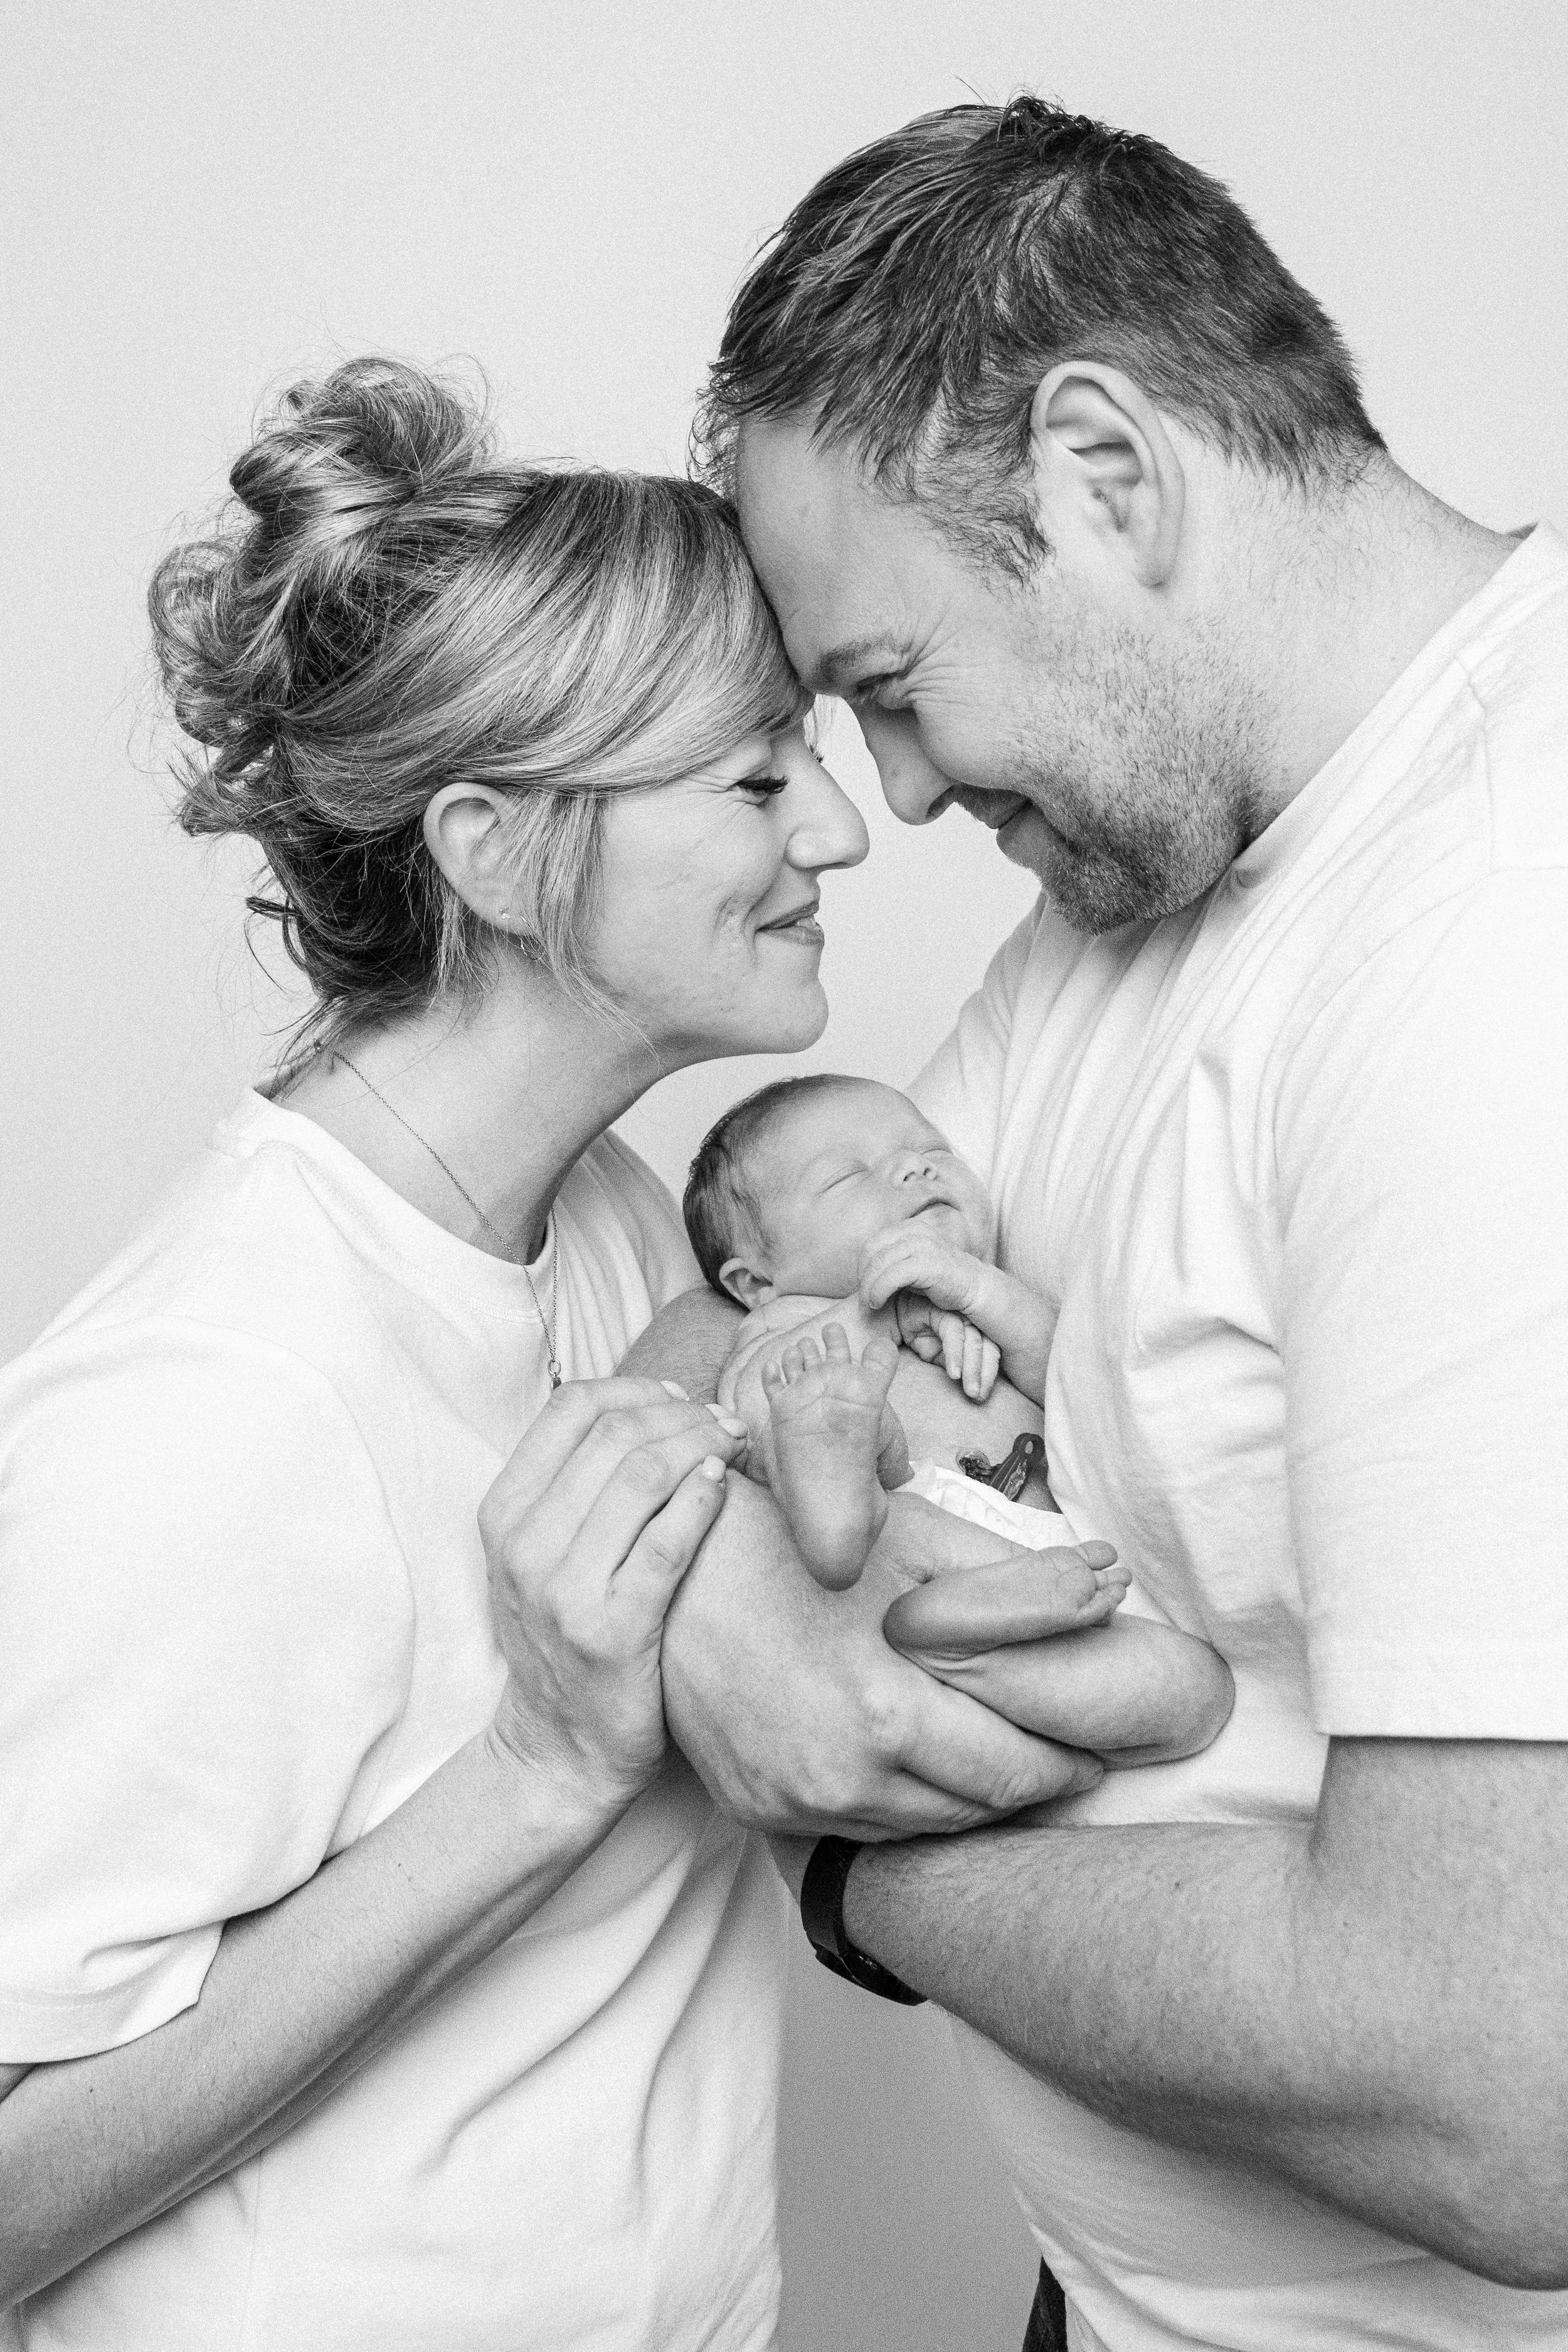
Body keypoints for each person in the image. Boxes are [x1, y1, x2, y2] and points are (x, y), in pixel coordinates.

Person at [0, 358, 1111, 2349]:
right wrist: (530, 1771)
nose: (840, 833)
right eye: (755, 778)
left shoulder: (605, 1224)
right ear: (498, 852)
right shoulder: (211, 1395)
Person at [645, 96, 1568, 2351]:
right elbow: (746, 1297)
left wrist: (856, 1864)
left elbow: (1510, 2091)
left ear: (1105, 476)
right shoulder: (1139, 898)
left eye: (887, 690)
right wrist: (721, 1597)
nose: (907, 798)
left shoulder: (1486, 948)